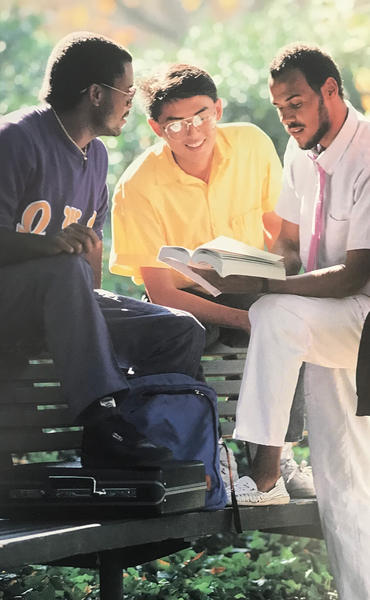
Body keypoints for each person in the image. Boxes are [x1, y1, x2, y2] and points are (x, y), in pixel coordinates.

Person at [193, 43, 370, 599]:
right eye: (278, 106)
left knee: (274, 309)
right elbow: (290, 249)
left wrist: (263, 289)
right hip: (319, 321)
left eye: (295, 101)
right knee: (343, 485)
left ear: (330, 91)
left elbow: (352, 276)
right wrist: (232, 270)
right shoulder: (300, 156)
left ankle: (264, 474)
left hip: (360, 319)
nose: (287, 116)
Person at [0, 32, 206, 470]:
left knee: (179, 329)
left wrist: (77, 284)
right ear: (96, 94)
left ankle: (148, 446)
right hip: (9, 305)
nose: (131, 101)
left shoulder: (96, 158)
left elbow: (87, 269)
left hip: (59, 303)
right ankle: (105, 421)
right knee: (63, 269)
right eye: (127, 91)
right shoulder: (15, 138)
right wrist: (46, 247)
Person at [109, 63, 314, 498]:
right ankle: (205, 456)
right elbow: (162, 290)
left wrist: (273, 280)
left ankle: (274, 469)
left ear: (218, 108)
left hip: (248, 285)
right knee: (176, 336)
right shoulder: (137, 186)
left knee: (290, 318)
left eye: (202, 115)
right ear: (156, 127)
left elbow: (281, 234)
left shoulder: (252, 144)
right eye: (177, 123)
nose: (193, 131)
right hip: (180, 303)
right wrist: (244, 321)